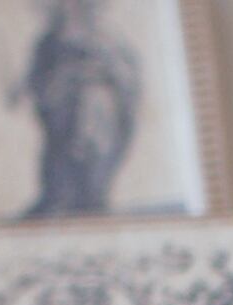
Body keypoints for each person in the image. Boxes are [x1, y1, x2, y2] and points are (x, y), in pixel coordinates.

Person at [12, 0, 141, 217]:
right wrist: (26, 89)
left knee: (88, 156)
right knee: (60, 158)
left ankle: (90, 202)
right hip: (61, 115)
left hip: (96, 115)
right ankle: (60, 200)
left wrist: (93, 75)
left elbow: (124, 78)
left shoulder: (104, 40)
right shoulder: (48, 43)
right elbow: (36, 76)